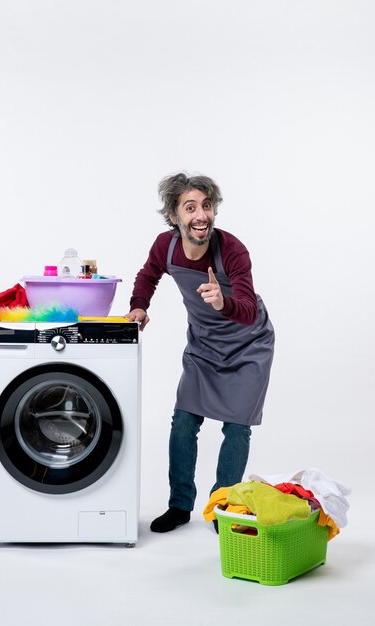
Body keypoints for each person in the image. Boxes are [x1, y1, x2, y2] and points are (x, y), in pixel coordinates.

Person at [126, 173, 275, 533]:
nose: (200, 215)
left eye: (206, 206)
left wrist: (223, 302)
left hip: (249, 345)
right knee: (183, 422)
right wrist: (139, 307)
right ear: (174, 216)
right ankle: (179, 505)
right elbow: (148, 276)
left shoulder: (233, 250)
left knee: (237, 429)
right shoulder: (167, 246)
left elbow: (248, 309)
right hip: (204, 346)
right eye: (190, 207)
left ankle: (221, 507)